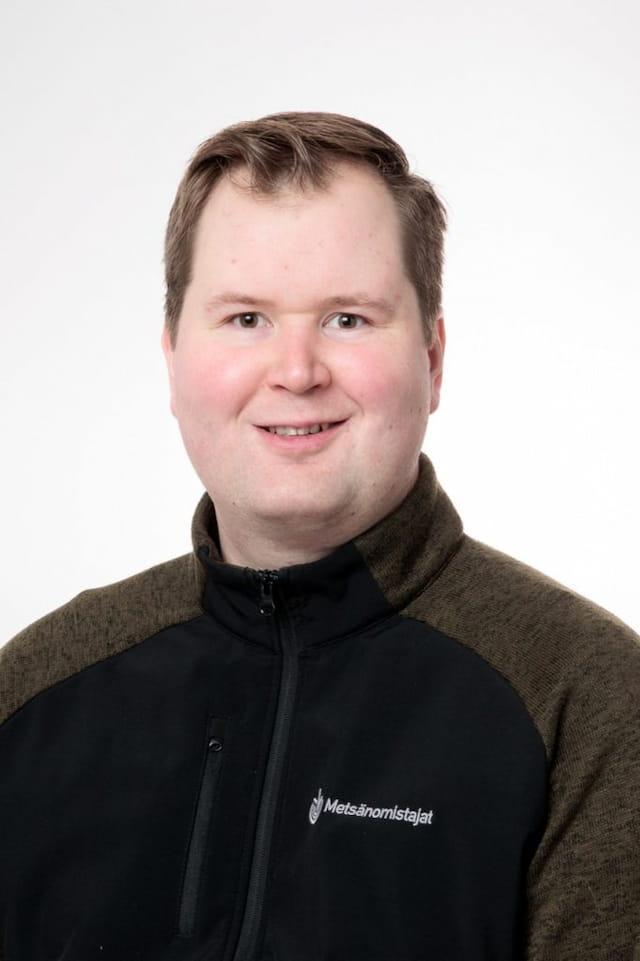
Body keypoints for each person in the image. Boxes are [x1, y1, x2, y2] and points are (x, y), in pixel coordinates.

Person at [0, 112, 638, 961]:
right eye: (245, 319)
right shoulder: (33, 692)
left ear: (432, 358)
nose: (297, 371)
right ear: (172, 358)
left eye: (347, 318)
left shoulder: (586, 700)